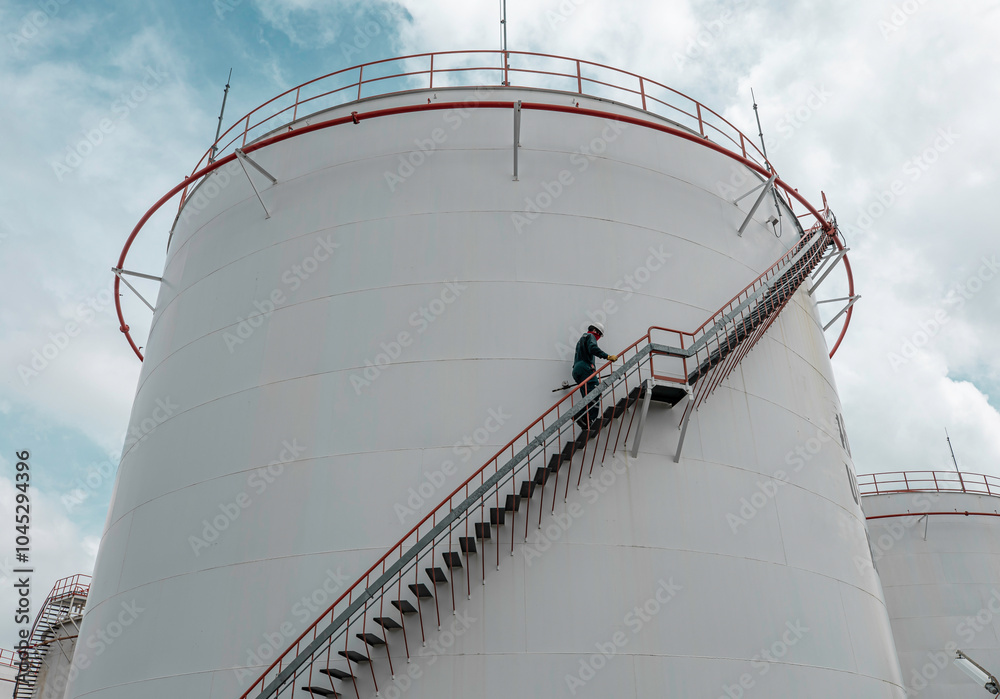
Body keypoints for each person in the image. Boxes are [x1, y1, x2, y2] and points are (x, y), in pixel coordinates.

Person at [572, 322, 618, 429]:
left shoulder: (581, 340)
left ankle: (585, 419)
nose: (598, 338)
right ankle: (585, 416)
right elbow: (593, 348)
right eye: (599, 335)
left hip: (577, 369)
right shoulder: (591, 336)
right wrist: (607, 356)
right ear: (596, 331)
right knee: (596, 390)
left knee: (588, 396)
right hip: (586, 368)